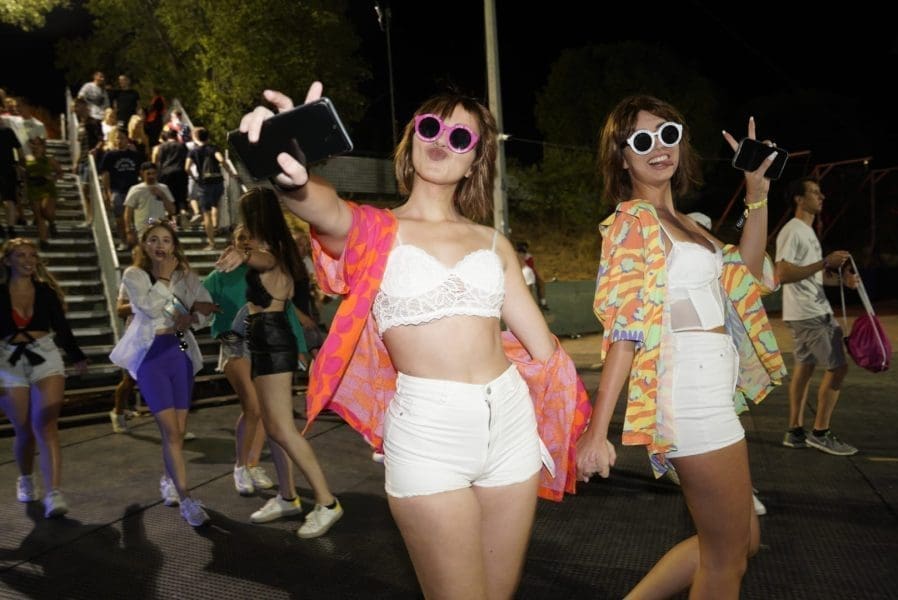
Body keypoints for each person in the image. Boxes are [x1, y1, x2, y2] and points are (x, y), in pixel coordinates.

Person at [238, 82, 589, 596]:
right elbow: (322, 207)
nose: (443, 140)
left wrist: (585, 428)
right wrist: (290, 168)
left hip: (512, 424)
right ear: (412, 140)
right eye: (431, 127)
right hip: (428, 433)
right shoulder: (373, 230)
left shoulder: (495, 243)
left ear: (475, 161)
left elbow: (544, 350)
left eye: (461, 136)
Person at [576, 97, 787, 597]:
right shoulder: (633, 222)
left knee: (743, 541)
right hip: (689, 398)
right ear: (621, 157)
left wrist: (756, 195)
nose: (659, 147)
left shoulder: (688, 224)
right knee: (726, 560)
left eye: (667, 133)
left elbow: (747, 276)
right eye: (641, 140)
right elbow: (625, 330)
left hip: (711, 394)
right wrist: (595, 433)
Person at [215, 188, 343, 539]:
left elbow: (264, 261)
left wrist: (242, 253)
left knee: (283, 428)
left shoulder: (271, 252)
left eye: (245, 216)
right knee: (273, 427)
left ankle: (327, 502)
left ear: (256, 216)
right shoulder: (271, 248)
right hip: (261, 337)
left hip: (272, 338)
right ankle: (287, 497)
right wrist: (243, 252)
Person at [109, 221, 219, 527]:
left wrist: (193, 317)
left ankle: (169, 479)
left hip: (179, 353)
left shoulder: (185, 275)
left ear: (174, 246)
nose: (160, 245)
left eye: (166, 240)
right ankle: (187, 500)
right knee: (171, 433)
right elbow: (147, 307)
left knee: (178, 433)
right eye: (154, 240)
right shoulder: (134, 275)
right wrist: (166, 277)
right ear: (144, 245)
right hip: (151, 357)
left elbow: (205, 306)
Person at [202, 224, 309, 504]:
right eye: (241, 238)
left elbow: (287, 312)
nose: (246, 243)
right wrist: (206, 321)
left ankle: (252, 464)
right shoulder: (219, 275)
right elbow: (195, 305)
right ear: (233, 242)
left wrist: (300, 348)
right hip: (235, 344)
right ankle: (240, 466)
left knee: (265, 410)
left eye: (251, 238)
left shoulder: (268, 272)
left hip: (265, 345)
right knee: (253, 406)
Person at [0, 238, 88, 518]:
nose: (28, 260)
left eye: (32, 255)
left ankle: (54, 493)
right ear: (7, 261)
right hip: (8, 360)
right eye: (20, 255)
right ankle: (26, 478)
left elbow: (61, 326)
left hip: (45, 356)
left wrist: (77, 356)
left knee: (46, 425)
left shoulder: (45, 291)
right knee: (24, 429)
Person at [776, 176, 858, 456]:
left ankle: (795, 431)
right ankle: (821, 432)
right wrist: (825, 262)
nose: (821, 196)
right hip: (810, 313)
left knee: (805, 367)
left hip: (805, 311)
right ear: (799, 199)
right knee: (838, 368)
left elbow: (812, 276)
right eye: (814, 192)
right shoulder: (794, 230)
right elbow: (782, 273)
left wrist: (841, 280)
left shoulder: (807, 231)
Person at [24, 137, 64, 250]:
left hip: (47, 189)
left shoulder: (49, 159)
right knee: (39, 216)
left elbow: (60, 172)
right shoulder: (29, 158)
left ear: (43, 146)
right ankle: (43, 241)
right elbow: (26, 175)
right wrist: (25, 191)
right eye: (34, 144)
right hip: (34, 189)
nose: (36, 147)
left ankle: (52, 223)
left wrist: (53, 178)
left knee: (46, 211)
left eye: (39, 144)